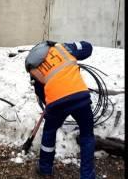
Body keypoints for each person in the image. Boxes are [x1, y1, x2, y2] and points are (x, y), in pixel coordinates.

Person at [25, 40, 95, 178]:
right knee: (87, 136)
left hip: (57, 103)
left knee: (49, 131)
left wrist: (50, 107)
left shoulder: (33, 66)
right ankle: (87, 175)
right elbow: (88, 47)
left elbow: (40, 92)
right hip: (80, 98)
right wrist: (69, 44)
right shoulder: (62, 48)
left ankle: (45, 168)